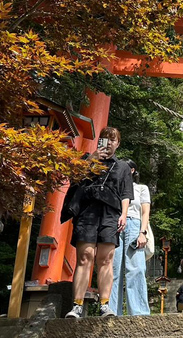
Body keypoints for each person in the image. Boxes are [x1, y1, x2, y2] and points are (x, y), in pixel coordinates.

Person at [65, 127, 133, 318]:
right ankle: (77, 305)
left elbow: (126, 194)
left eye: (113, 140)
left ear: (118, 144)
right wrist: (92, 159)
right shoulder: (87, 160)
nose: (109, 142)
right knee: (85, 256)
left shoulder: (123, 167)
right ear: (99, 141)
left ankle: (104, 304)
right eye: (105, 139)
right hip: (87, 212)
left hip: (111, 213)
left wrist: (124, 214)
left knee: (105, 258)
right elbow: (74, 178)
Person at [109, 160, 151, 315]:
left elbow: (145, 212)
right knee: (113, 270)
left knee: (136, 268)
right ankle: (112, 311)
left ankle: (139, 312)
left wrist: (143, 232)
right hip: (114, 225)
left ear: (132, 170)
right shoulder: (114, 186)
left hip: (134, 225)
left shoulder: (141, 188)